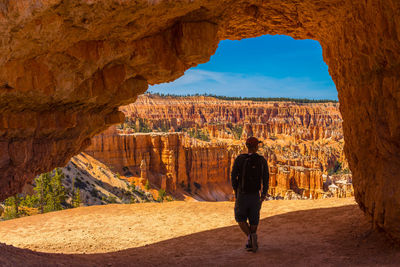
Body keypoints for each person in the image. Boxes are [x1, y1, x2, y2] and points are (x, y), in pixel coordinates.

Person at [231, 136, 269, 252]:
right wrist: (263, 195)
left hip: (242, 194)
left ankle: (250, 239)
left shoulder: (240, 159)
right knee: (254, 219)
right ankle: (252, 239)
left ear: (247, 147)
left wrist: (236, 191)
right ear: (256, 147)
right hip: (255, 195)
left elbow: (233, 177)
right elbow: (265, 179)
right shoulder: (262, 160)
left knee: (240, 218)